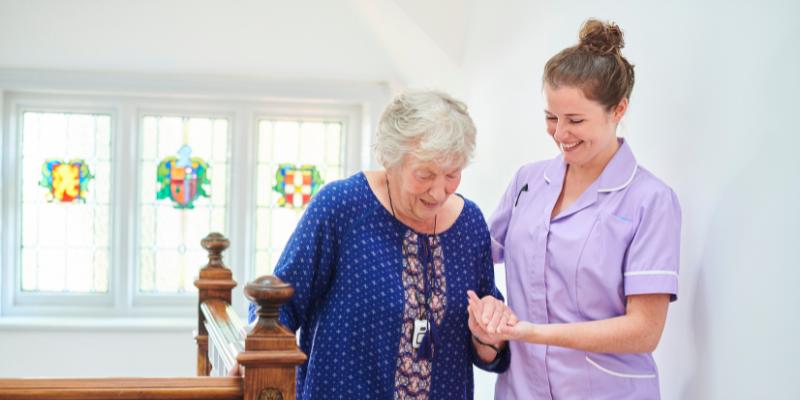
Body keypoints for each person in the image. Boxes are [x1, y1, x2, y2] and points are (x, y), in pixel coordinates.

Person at [467, 19, 682, 399]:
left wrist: (531, 332)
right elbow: (474, 253)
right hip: (521, 389)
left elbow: (644, 331)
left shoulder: (649, 200)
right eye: (551, 118)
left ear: (618, 109)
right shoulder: (528, 182)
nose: (560, 133)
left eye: (576, 120)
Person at [248, 90, 510, 400]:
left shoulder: (469, 224)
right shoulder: (342, 207)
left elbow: (485, 345)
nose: (439, 192)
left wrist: (491, 336)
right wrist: (259, 361)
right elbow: (279, 305)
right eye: (425, 174)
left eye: (452, 175)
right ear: (389, 159)